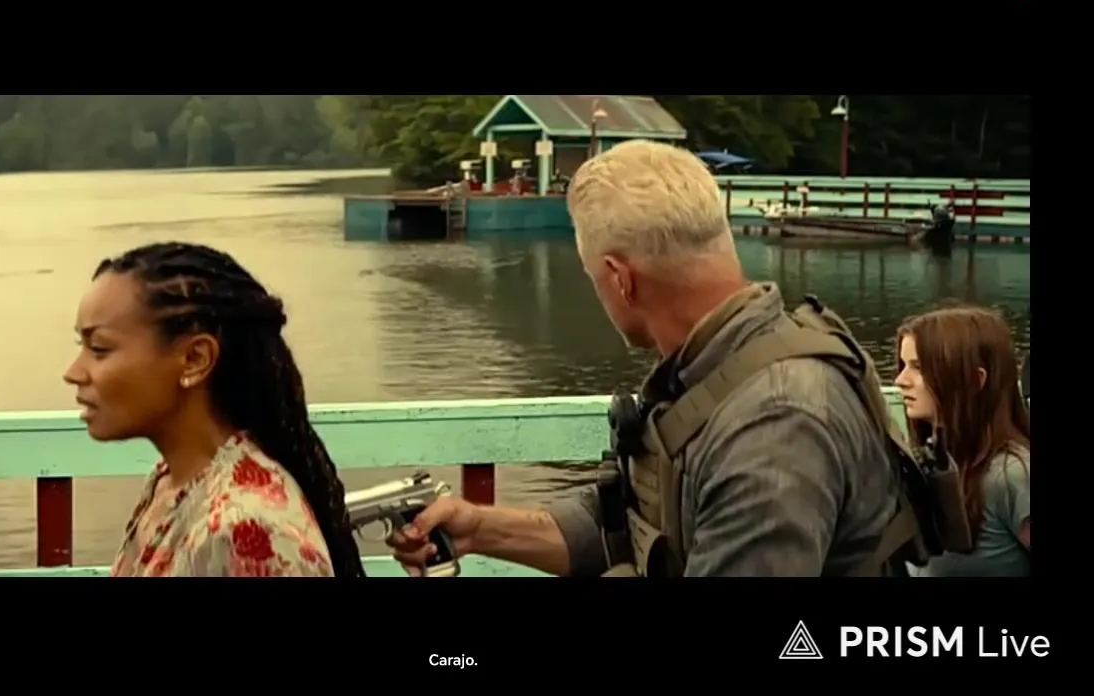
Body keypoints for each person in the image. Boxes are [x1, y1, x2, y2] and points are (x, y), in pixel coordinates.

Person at [390, 139, 921, 577]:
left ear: (621, 279)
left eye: (594, 279)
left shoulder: (776, 425)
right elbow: (634, 519)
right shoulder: (714, 369)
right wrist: (481, 529)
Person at [63, 242, 366, 578]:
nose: (73, 373)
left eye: (99, 349)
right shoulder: (171, 482)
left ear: (195, 359)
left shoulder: (246, 526)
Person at [894, 306, 1031, 576]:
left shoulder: (1013, 474)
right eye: (903, 365)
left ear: (975, 380)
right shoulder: (934, 464)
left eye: (918, 368)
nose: (900, 380)